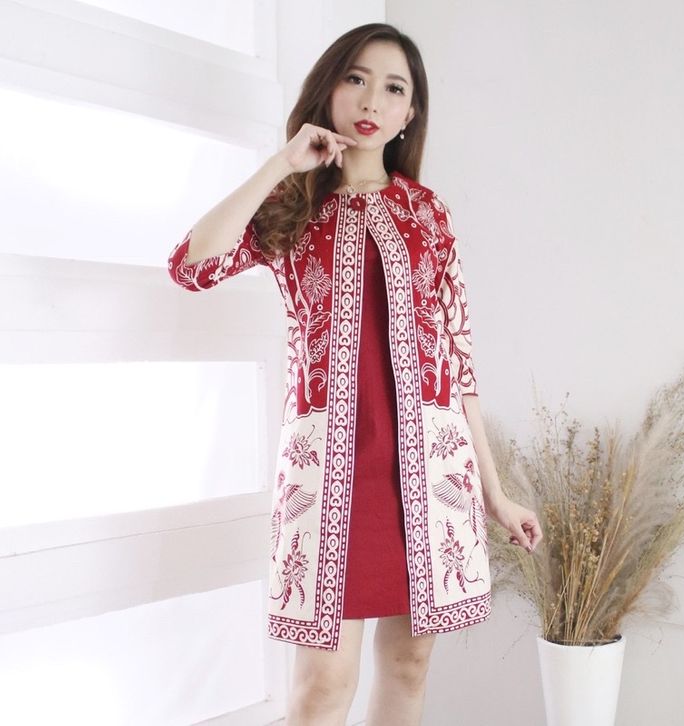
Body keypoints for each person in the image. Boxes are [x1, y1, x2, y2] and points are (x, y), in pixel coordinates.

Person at [168, 21, 542, 726]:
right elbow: (190, 266)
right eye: (356, 78)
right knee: (320, 688)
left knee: (408, 666)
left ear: (410, 113)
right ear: (329, 88)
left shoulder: (428, 216)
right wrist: (282, 164)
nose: (372, 100)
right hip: (327, 476)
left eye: (393, 88)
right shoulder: (289, 207)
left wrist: (496, 494)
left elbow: (458, 362)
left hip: (428, 476)